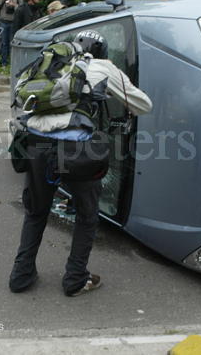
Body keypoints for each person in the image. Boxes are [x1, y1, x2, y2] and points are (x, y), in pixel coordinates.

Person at [8, 30, 152, 297]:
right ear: (102, 52)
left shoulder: (53, 64)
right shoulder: (103, 68)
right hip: (76, 149)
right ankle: (75, 278)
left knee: (36, 211)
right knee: (86, 215)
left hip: (37, 143)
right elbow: (144, 105)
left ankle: (21, 275)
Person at [0, 0, 23, 67]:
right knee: (3, 43)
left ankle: (13, 63)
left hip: (13, 22)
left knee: (13, 43)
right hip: (3, 22)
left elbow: (22, 9)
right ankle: (4, 62)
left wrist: (14, 5)